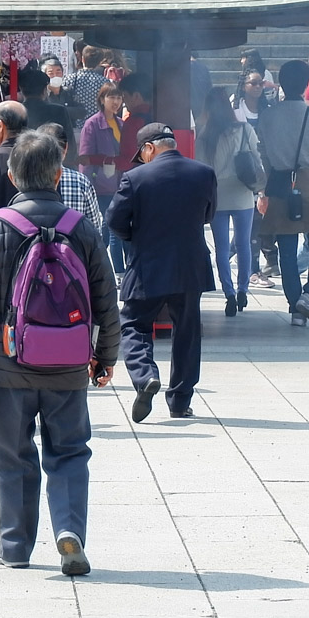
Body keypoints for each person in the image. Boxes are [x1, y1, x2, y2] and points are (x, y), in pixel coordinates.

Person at [0, 131, 120, 575]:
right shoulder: (80, 228)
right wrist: (106, 356)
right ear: (56, 173)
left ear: (11, 175)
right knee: (69, 451)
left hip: (9, 366)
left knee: (13, 455)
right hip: (68, 363)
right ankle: (68, 530)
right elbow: (106, 298)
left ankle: (14, 546)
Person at [108, 123, 217, 421]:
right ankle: (180, 401)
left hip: (148, 264)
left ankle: (145, 377)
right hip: (190, 263)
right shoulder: (204, 173)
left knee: (133, 324)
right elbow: (208, 215)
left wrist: (137, 238)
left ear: (149, 148)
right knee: (187, 332)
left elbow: (115, 222)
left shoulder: (135, 178)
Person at [256, 59, 309, 327]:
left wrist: (264, 190)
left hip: (280, 183)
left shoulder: (267, 115)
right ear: (306, 84)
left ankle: (295, 306)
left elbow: (265, 157)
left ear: (280, 83)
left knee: (286, 248)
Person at [195, 88, 263, 317]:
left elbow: (200, 168)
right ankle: (244, 289)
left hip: (217, 196)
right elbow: (258, 158)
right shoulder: (244, 129)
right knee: (243, 244)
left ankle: (229, 294)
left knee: (221, 248)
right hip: (243, 193)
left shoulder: (204, 135)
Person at [77, 83, 141, 269]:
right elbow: (85, 158)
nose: (116, 102)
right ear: (102, 99)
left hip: (121, 183)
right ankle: (118, 270)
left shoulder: (122, 124)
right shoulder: (92, 124)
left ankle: (111, 267)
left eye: (119, 98)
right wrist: (88, 184)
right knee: (112, 229)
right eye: (111, 97)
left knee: (116, 228)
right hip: (101, 186)